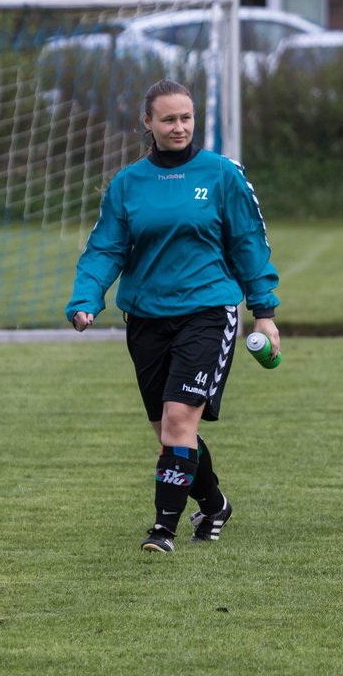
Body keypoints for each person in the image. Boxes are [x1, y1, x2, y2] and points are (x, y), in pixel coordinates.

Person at [65, 78, 280, 553]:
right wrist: (86, 299)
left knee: (180, 419)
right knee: (169, 432)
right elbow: (106, 248)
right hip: (146, 317)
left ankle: (163, 529)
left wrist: (263, 312)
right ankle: (215, 501)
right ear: (148, 123)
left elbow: (248, 242)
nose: (179, 127)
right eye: (168, 119)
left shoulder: (222, 174)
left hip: (208, 310)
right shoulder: (128, 184)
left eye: (186, 117)